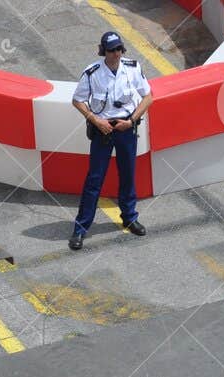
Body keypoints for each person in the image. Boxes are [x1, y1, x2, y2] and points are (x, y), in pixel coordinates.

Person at [67, 31, 152, 252]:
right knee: (94, 179)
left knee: (128, 174)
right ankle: (80, 228)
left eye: (119, 49)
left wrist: (131, 121)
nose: (116, 54)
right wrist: (95, 120)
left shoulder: (132, 68)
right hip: (102, 129)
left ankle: (130, 218)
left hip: (126, 127)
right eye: (111, 50)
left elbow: (148, 96)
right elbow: (77, 100)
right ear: (103, 51)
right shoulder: (92, 73)